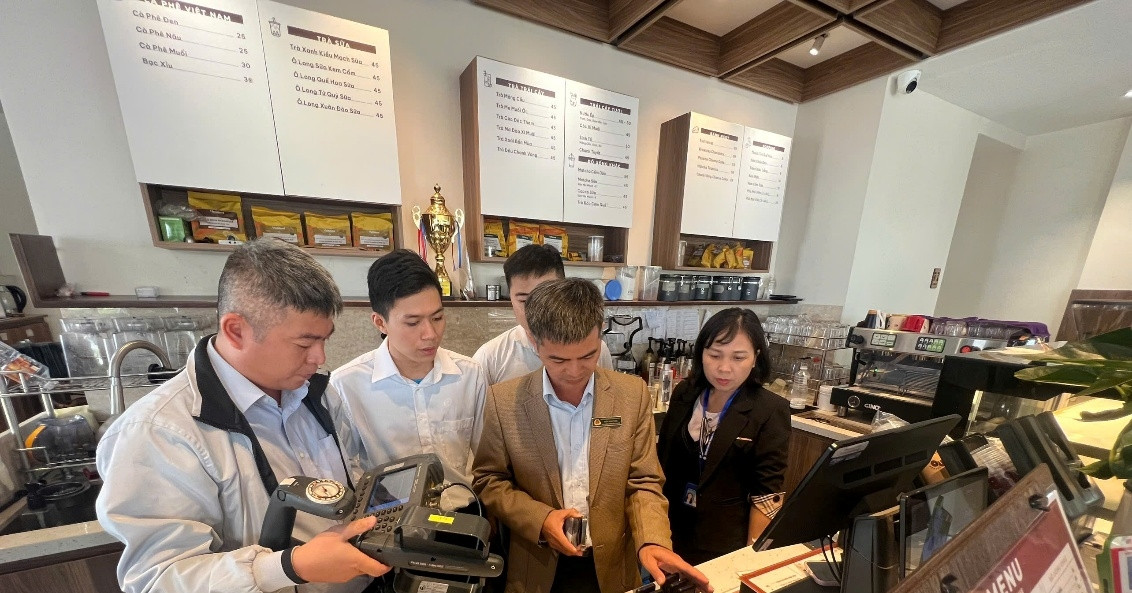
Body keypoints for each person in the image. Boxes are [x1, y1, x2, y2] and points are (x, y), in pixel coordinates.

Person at [96, 239, 389, 593]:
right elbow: (157, 579)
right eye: (304, 344)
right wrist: (289, 567)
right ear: (236, 330)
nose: (319, 358)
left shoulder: (318, 394)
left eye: (324, 340)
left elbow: (348, 478)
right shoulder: (158, 432)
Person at [472, 278, 712, 593]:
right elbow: (489, 480)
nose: (574, 371)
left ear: (600, 335)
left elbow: (643, 481)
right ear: (535, 343)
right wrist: (541, 519)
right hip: (538, 564)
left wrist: (653, 540)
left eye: (587, 356)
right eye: (558, 360)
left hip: (612, 565)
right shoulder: (504, 402)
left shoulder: (631, 394)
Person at [329, 249, 487, 511]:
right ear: (380, 323)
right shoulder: (347, 384)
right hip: (390, 520)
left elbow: (486, 459)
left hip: (463, 512)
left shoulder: (469, 374)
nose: (430, 334)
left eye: (437, 318)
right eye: (413, 323)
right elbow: (346, 469)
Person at [656, 308, 790, 565]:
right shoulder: (685, 393)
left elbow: (765, 495)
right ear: (701, 353)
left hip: (725, 543)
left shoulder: (770, 410)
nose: (724, 368)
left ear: (756, 358)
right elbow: (663, 463)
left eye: (738, 357)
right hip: (671, 533)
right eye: (715, 355)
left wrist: (750, 560)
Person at [473, 244, 613, 385]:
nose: (536, 309)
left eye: (547, 298)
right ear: (510, 298)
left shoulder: (595, 349)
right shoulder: (489, 358)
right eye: (524, 300)